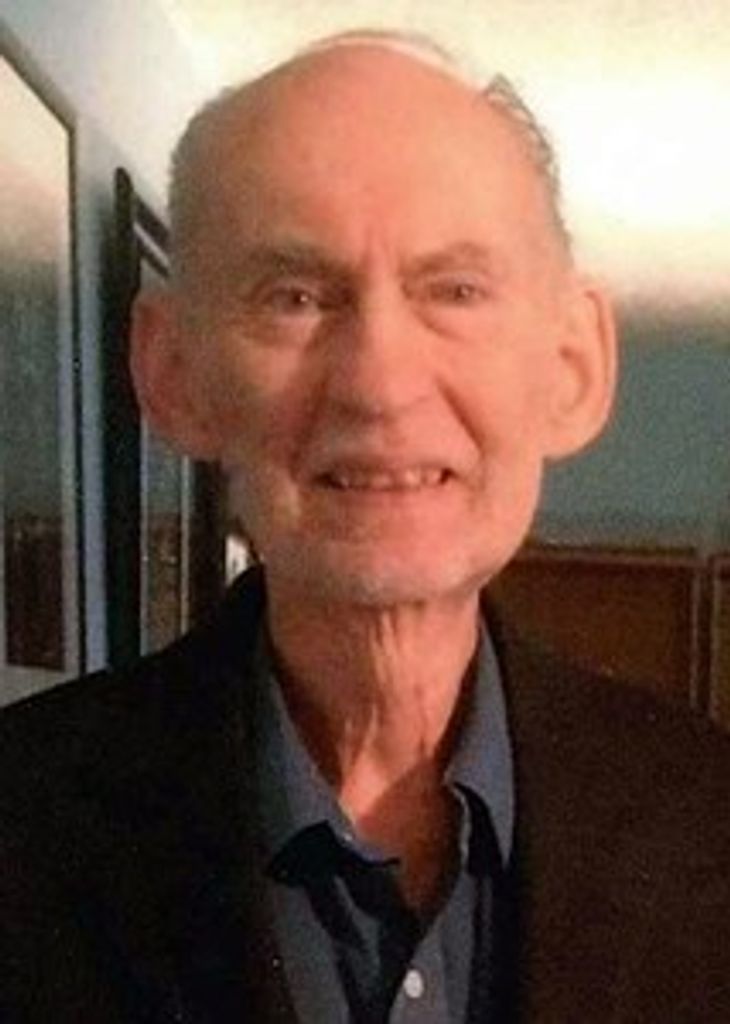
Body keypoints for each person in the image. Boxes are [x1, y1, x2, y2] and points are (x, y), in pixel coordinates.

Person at [2, 30, 729, 1024]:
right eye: (296, 297)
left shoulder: (705, 819)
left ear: (574, 368)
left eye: (455, 291)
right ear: (172, 373)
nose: (380, 382)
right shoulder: (23, 829)